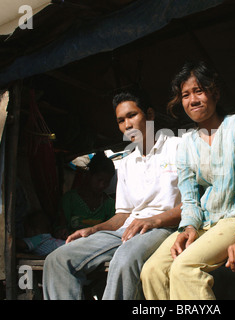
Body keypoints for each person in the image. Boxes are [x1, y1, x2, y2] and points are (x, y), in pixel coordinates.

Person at [140, 61, 235, 300]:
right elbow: (189, 199)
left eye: (199, 91)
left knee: (184, 269)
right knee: (152, 271)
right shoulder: (186, 143)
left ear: (214, 93)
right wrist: (188, 228)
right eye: (185, 95)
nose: (192, 100)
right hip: (204, 225)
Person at [42, 90, 182, 300]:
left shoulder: (178, 147)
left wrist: (154, 220)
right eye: (120, 120)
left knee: (124, 259)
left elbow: (194, 202)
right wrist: (94, 229)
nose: (127, 125)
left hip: (164, 228)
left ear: (150, 114)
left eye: (132, 115)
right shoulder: (126, 163)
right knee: (58, 259)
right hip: (128, 230)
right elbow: (123, 215)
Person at [54, 152, 116, 239]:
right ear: (89, 175)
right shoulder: (70, 199)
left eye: (106, 182)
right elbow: (60, 226)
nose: (102, 185)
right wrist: (62, 231)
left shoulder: (109, 204)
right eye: (99, 180)